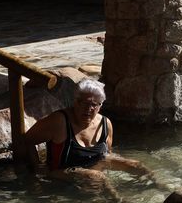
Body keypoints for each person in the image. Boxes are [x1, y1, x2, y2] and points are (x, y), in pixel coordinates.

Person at [17, 79, 155, 185]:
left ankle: (161, 189)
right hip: (61, 173)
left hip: (92, 170)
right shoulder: (59, 121)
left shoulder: (105, 123)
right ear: (75, 102)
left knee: (138, 166)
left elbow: (107, 155)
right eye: (84, 103)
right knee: (96, 177)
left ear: (100, 106)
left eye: (93, 105)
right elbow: (26, 140)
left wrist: (120, 165)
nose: (88, 109)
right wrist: (37, 168)